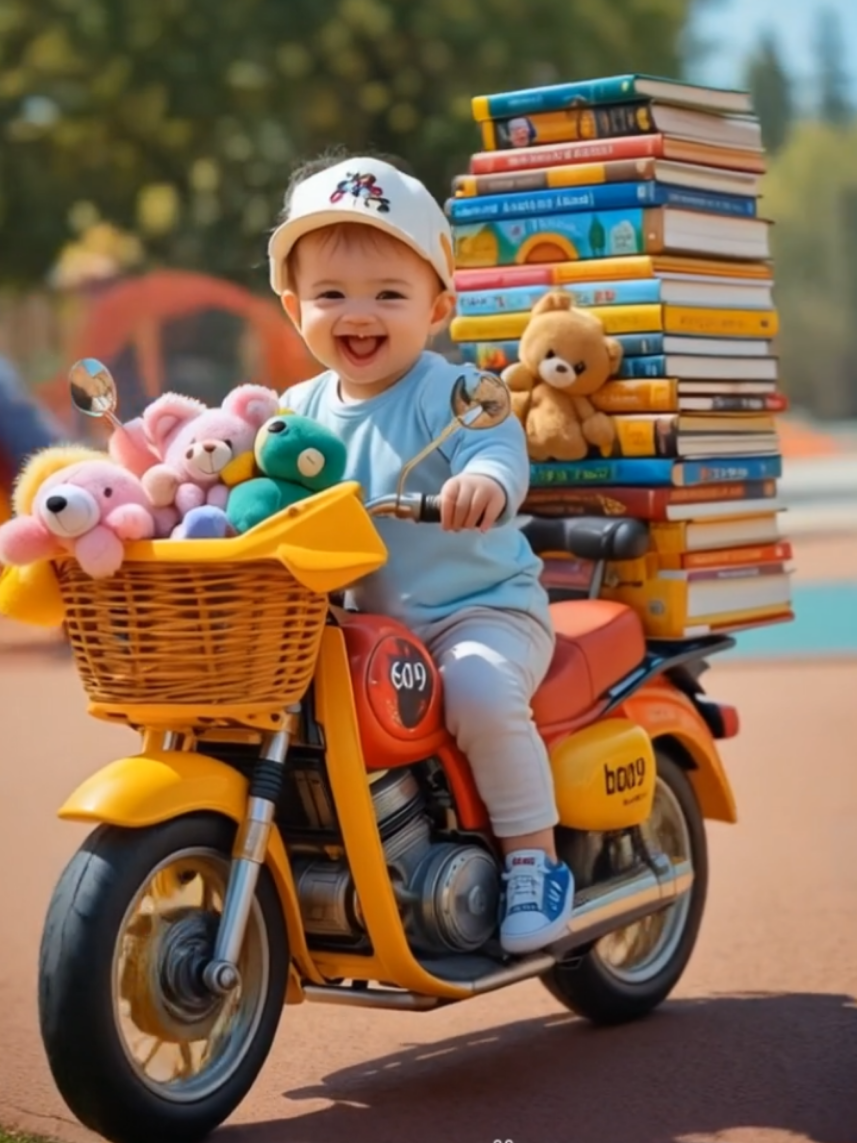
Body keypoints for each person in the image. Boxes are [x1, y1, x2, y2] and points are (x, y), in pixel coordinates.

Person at [267, 151, 574, 955]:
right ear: (293, 304)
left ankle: (532, 859)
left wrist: (484, 482)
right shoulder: (295, 409)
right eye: (330, 294)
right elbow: (240, 470)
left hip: (481, 612)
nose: (356, 314)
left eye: (387, 295)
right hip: (362, 633)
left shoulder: (451, 391)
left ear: (436, 307)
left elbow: (498, 447)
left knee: (475, 688)